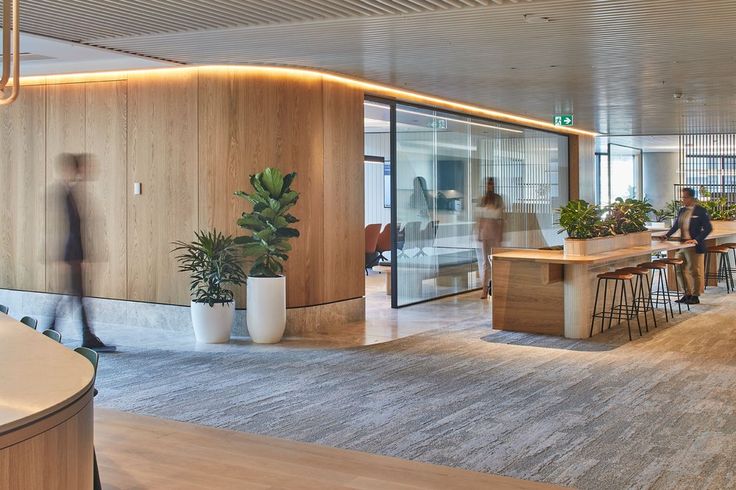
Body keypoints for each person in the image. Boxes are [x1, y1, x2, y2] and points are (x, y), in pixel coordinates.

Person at [50, 153, 116, 352]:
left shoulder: (72, 192)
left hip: (73, 255)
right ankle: (82, 336)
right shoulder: (67, 193)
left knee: (74, 296)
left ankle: (55, 331)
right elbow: (70, 228)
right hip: (72, 256)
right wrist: (76, 256)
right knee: (75, 296)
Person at [659, 187, 713, 305]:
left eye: (685, 197)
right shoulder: (682, 210)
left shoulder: (700, 210)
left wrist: (696, 240)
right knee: (678, 269)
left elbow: (708, 228)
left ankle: (695, 295)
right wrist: (666, 235)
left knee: (694, 271)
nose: (683, 199)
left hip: (693, 246)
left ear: (692, 197)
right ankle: (686, 293)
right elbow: (676, 226)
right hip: (682, 244)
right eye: (682, 197)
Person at [476, 177, 504, 299]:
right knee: (485, 262)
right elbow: (480, 218)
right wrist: (478, 233)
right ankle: (484, 289)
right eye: (488, 184)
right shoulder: (483, 199)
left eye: (492, 184)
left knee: (496, 261)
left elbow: (502, 218)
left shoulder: (498, 199)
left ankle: (497, 287)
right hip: (485, 232)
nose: (490, 186)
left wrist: (501, 235)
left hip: (495, 231)